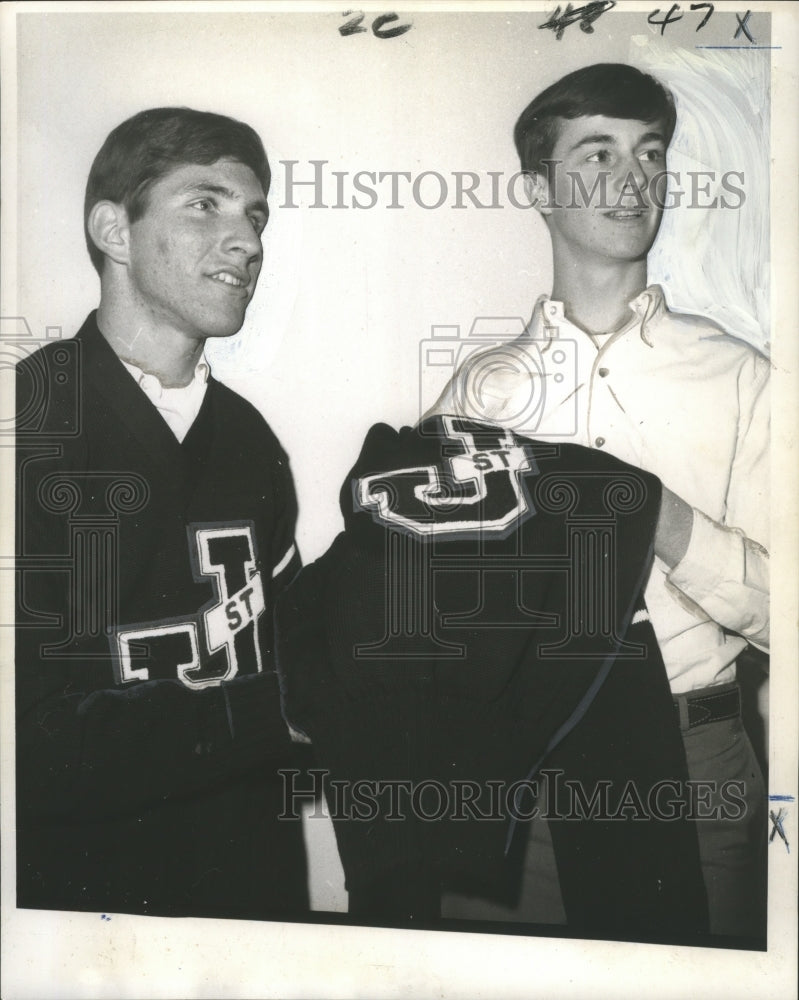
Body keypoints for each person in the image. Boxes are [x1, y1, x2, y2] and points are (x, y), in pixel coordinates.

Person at [431, 63, 769, 942]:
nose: (633, 179)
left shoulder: (741, 377)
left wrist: (656, 517)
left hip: (692, 764)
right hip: (516, 763)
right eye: (598, 153)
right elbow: (421, 598)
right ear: (537, 187)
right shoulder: (473, 391)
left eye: (649, 154)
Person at [15, 107, 309, 920]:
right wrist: (260, 713)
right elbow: (25, 746)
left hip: (254, 895)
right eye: (204, 205)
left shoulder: (251, 440)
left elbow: (288, 657)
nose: (246, 241)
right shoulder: (26, 427)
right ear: (114, 229)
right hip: (82, 912)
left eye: (254, 216)